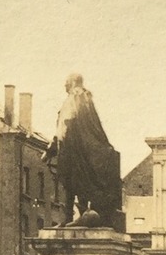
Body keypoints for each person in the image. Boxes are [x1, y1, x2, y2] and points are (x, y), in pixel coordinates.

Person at [44, 73, 122, 226]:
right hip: (80, 148)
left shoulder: (76, 97)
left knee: (73, 182)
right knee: (75, 182)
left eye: (66, 82)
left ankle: (75, 217)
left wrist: (50, 150)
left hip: (74, 148)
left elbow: (65, 126)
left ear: (73, 82)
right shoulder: (83, 98)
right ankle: (76, 217)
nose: (64, 85)